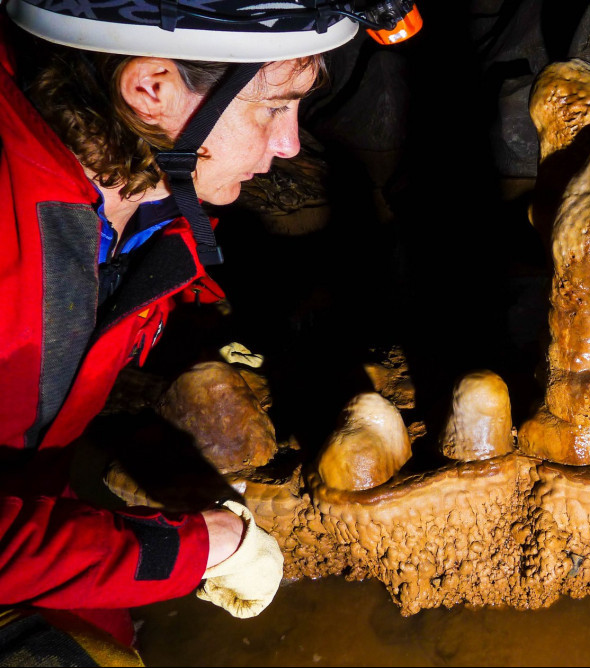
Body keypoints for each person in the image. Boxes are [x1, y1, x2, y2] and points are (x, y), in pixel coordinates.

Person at [0, 0, 419, 662]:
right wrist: (194, 547)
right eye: (273, 106)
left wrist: (204, 337)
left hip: (38, 519)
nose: (289, 143)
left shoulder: (140, 189)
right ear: (152, 88)